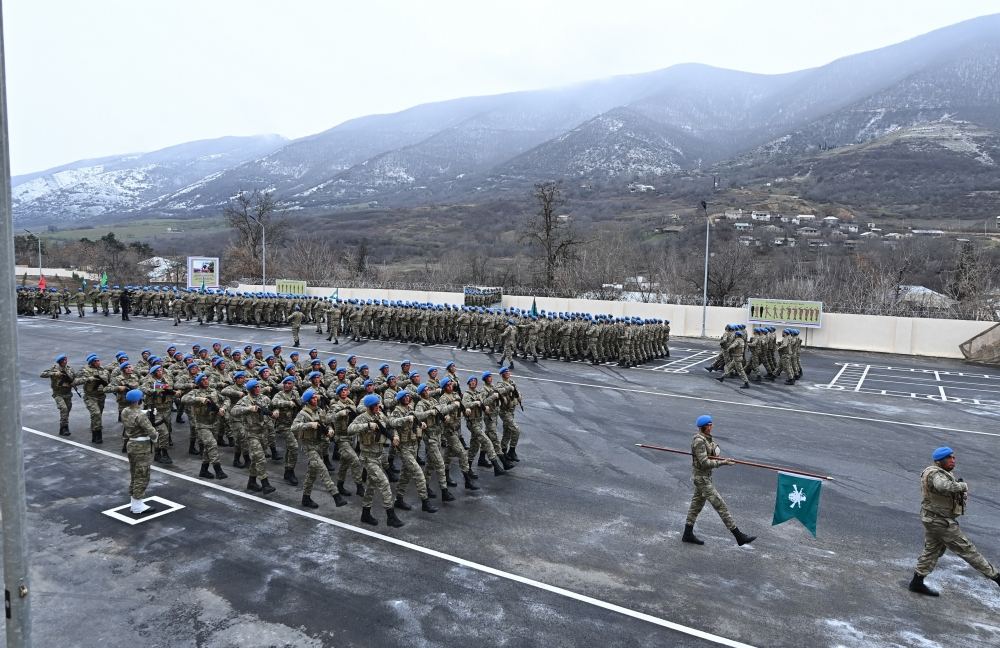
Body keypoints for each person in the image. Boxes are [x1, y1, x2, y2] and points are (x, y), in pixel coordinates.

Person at [908, 446, 1000, 596]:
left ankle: (916, 582)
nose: (953, 460)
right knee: (967, 549)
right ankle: (997, 577)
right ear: (939, 461)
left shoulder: (941, 472)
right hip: (940, 522)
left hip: (934, 519)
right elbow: (941, 486)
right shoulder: (935, 474)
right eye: (949, 458)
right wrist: (961, 486)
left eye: (953, 458)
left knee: (932, 550)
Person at [682, 415, 756, 546]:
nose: (711, 427)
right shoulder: (699, 441)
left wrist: (718, 456)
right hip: (702, 479)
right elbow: (704, 462)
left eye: (711, 424)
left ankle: (687, 534)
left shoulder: (707, 438)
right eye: (709, 425)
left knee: (696, 506)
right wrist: (723, 463)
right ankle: (739, 536)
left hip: (705, 478)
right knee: (720, 505)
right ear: (704, 427)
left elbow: (714, 452)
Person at [122, 389, 157, 515]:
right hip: (142, 447)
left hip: (131, 444)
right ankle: (137, 506)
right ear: (139, 400)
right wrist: (155, 437)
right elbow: (151, 431)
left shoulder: (125, 411)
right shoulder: (141, 416)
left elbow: (134, 414)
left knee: (135, 474)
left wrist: (146, 412)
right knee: (142, 476)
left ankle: (135, 503)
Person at [41, 354, 75, 436]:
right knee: (64, 409)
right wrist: (54, 374)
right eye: (64, 360)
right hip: (58, 393)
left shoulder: (70, 369)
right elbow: (42, 374)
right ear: (60, 361)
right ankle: (65, 428)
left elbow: (74, 378)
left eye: (66, 360)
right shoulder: (54, 369)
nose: (65, 361)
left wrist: (73, 382)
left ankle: (62, 427)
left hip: (67, 393)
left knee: (67, 410)